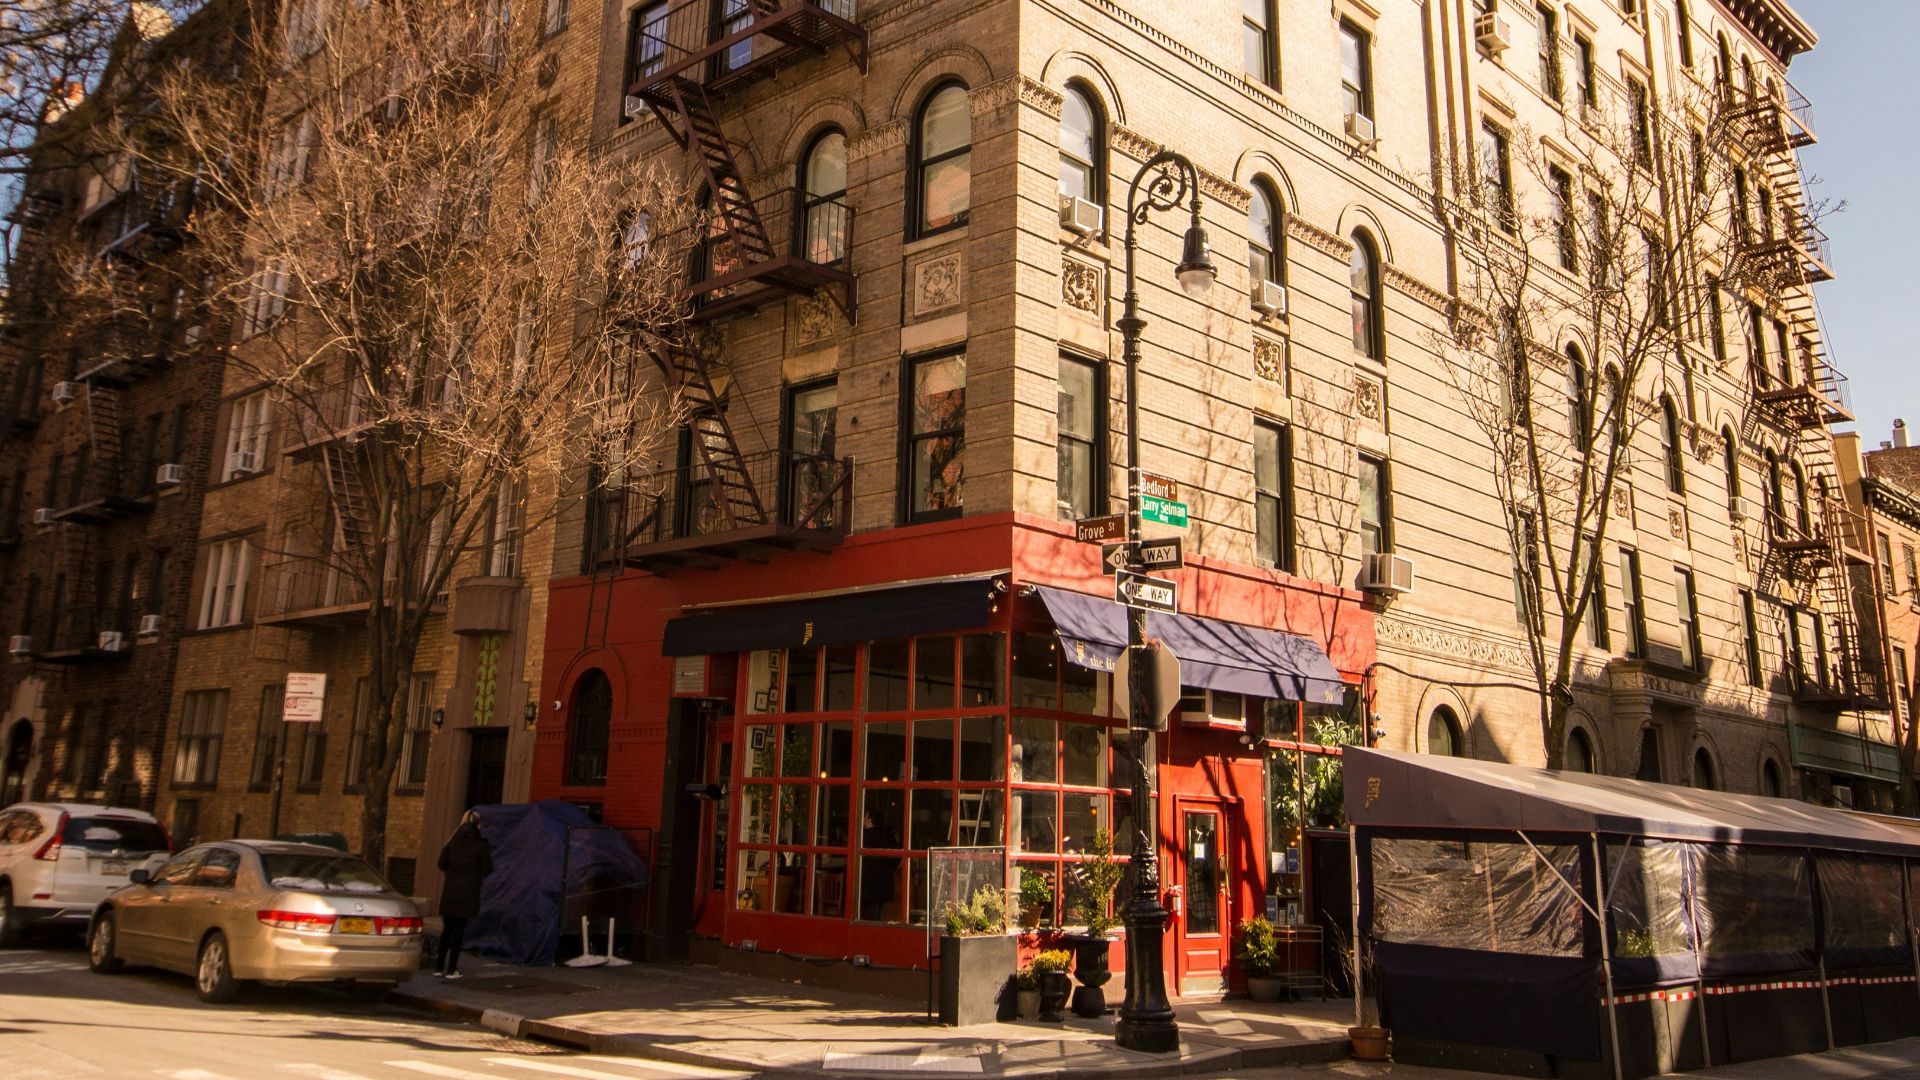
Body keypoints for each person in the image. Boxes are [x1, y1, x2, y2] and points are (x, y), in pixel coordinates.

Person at [435, 810, 493, 979]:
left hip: (450, 890)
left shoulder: (452, 841)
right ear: (478, 824)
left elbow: (441, 863)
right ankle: (452, 968)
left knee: (447, 930)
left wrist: (453, 873)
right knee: (459, 931)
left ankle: (439, 967)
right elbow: (487, 869)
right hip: (468, 892)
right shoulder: (480, 844)